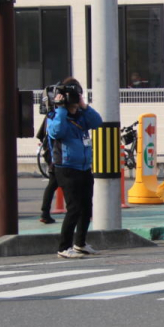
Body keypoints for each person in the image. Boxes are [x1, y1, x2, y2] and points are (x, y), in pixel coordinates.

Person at [46, 78, 103, 259]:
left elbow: (97, 122)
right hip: (66, 168)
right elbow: (56, 132)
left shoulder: (81, 115)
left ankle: (80, 243)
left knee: (87, 207)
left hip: (84, 167)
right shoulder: (56, 116)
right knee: (74, 208)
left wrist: (84, 105)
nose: (74, 103)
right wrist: (61, 108)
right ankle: (64, 247)